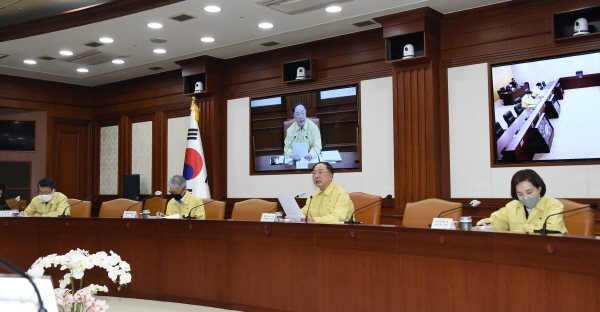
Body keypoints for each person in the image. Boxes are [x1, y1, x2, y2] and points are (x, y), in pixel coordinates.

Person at [476, 169, 568, 234]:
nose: (526, 197)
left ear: (539, 189)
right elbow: (498, 220)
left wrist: (526, 228)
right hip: (521, 250)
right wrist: (484, 223)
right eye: (520, 194)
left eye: (529, 192)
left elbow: (553, 228)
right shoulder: (512, 206)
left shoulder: (553, 205)